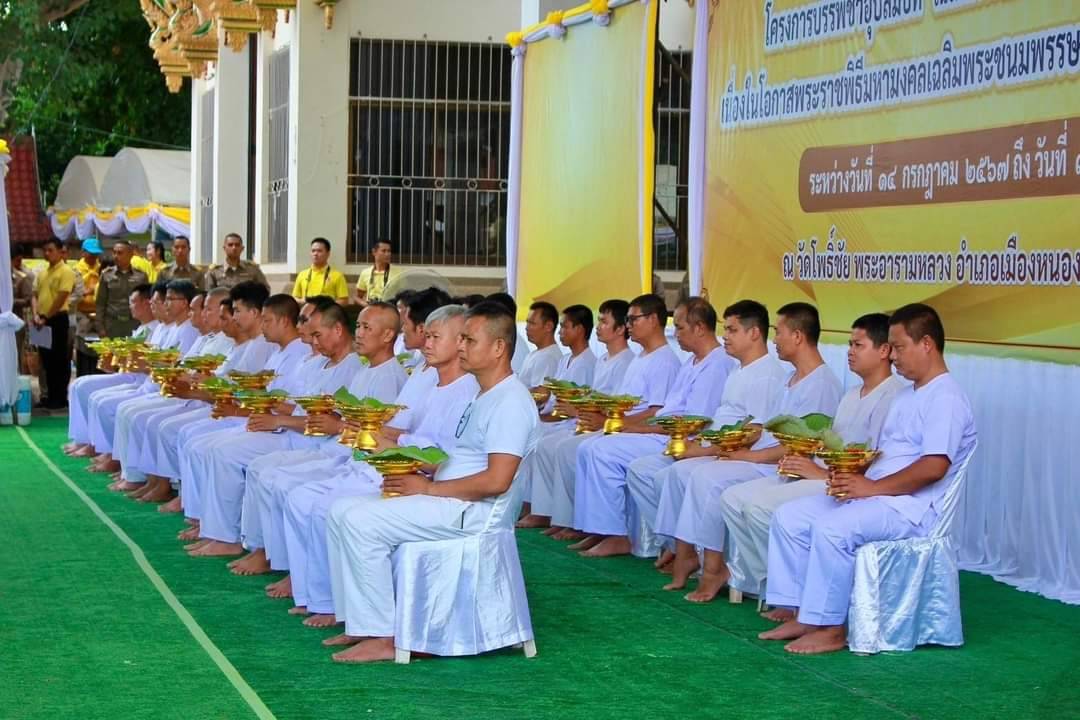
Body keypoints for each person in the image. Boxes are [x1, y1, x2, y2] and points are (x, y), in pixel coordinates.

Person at [323, 300, 539, 663]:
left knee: (361, 522)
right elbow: (461, 459)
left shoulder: (511, 402)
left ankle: (385, 637)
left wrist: (428, 488)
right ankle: (362, 624)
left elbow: (498, 480)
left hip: (472, 512)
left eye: (469, 341)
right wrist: (419, 470)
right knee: (341, 511)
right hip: (447, 497)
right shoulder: (481, 394)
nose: (461, 347)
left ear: (499, 348)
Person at [760, 303, 977, 655]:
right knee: (790, 517)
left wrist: (871, 488)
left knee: (832, 528)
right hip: (879, 493)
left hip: (910, 508)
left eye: (900, 347)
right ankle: (803, 612)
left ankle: (831, 628)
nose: (893, 355)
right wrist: (851, 476)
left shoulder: (946, 396)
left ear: (927, 344)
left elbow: (934, 466)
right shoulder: (909, 393)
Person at [268, 305, 477, 626]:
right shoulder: (432, 381)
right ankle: (321, 594)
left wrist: (382, 439)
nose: (426, 343)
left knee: (327, 507)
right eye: (428, 335)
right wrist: (368, 430)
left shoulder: (468, 390)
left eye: (435, 337)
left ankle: (337, 605)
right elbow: (401, 427)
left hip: (414, 476)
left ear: (461, 342)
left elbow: (440, 456)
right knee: (302, 498)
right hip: (387, 464)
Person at [653, 302, 843, 602]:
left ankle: (720, 569)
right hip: (769, 460)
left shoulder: (819, 383)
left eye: (778, 333)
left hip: (778, 465)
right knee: (687, 473)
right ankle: (714, 563)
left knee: (706, 478)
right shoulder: (788, 379)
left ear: (797, 336)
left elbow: (798, 444)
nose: (774, 339)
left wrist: (743, 454)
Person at [719, 313, 903, 616]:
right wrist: (801, 458)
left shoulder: (891, 396)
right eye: (849, 344)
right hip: (819, 473)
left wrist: (817, 472)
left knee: (760, 508)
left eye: (858, 344)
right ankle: (776, 584)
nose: (850, 351)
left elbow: (873, 461)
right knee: (732, 498)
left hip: (843, 482)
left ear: (884, 351)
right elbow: (831, 445)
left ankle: (795, 595)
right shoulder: (850, 395)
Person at [223, 301, 408, 576]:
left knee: (289, 487)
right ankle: (270, 556)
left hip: (357, 460)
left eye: (366, 327)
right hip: (340, 451)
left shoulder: (389, 376)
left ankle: (288, 567)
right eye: (358, 325)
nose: (358, 332)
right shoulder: (367, 370)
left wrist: (335, 426)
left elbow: (376, 434)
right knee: (268, 474)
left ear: (388, 335)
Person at [182, 301, 364, 557]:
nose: (312, 342)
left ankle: (238, 541)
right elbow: (297, 406)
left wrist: (276, 419)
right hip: (292, 432)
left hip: (311, 442)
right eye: (311, 335)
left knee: (228, 455)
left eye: (316, 335)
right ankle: (218, 530)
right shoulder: (318, 363)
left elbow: (326, 422)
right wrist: (264, 406)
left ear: (337, 330)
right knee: (211, 446)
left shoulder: (353, 367)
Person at [569, 297, 735, 557]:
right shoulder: (693, 361)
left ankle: (622, 536)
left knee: (601, 450)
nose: (676, 334)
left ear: (700, 328)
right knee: (590, 447)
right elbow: (668, 412)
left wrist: (632, 428)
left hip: (679, 440)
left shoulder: (716, 364)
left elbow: (691, 423)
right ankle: (660, 541)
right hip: (663, 433)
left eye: (680, 327)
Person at [529, 295, 678, 543]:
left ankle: (612, 533)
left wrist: (614, 423)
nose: (630, 325)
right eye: (627, 319)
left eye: (633, 319)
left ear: (653, 320)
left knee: (592, 450)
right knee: (574, 448)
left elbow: (656, 411)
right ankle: (587, 525)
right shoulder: (642, 358)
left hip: (645, 432)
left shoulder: (665, 360)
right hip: (621, 427)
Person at [526, 299, 636, 535]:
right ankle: (552, 513)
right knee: (545, 444)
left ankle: (577, 521)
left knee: (561, 447)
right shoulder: (603, 360)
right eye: (598, 321)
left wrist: (580, 412)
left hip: (595, 424)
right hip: (582, 420)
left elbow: (619, 405)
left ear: (620, 329)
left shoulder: (625, 361)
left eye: (604, 322)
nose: (599, 326)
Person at [516, 303, 599, 528]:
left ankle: (540, 508)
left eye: (565, 327)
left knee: (538, 441)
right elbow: (551, 399)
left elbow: (574, 405)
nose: (560, 332)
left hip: (571, 422)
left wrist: (542, 418)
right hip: (553, 419)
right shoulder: (564, 360)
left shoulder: (588, 362)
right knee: (532, 437)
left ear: (580, 330)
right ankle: (528, 502)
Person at [64, 283, 156, 458]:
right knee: (79, 385)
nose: (130, 306)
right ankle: (86, 440)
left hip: (140, 382)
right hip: (131, 377)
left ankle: (107, 450)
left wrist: (122, 363)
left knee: (98, 397)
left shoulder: (157, 328)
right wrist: (113, 362)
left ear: (146, 303)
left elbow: (150, 363)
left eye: (133, 302)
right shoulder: (144, 328)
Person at [31, 238, 77, 410]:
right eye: (45, 250)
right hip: (40, 319)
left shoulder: (66, 271)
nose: (47, 253)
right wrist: (37, 315)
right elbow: (34, 295)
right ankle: (49, 395)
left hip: (57, 319)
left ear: (60, 251)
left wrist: (46, 317)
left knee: (59, 359)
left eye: (50, 250)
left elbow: (62, 297)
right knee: (45, 360)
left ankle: (59, 397)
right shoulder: (42, 272)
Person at [518, 301, 564, 391]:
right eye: (527, 322)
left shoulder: (547, 358)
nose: (527, 327)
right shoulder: (537, 354)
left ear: (549, 326)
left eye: (532, 323)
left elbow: (540, 395)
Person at [205, 233, 270, 291]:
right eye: (230, 245)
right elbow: (209, 294)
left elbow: (265, 289)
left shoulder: (252, 269)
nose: (234, 248)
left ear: (242, 248)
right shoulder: (214, 271)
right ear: (224, 248)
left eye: (237, 245)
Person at [293, 237, 349, 303]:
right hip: (306, 311)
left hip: (326, 312)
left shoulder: (337, 275)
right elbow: (295, 298)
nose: (315, 254)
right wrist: (304, 302)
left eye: (319, 251)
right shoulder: (302, 274)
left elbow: (344, 301)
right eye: (313, 251)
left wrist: (327, 305)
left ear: (328, 254)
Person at [11, 244, 35, 374]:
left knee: (17, 353)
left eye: (19, 260)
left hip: (16, 320)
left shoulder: (24, 275)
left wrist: (10, 301)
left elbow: (28, 299)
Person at [354, 238, 400, 305]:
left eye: (389, 251)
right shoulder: (365, 272)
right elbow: (357, 297)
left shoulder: (398, 273)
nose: (387, 254)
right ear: (374, 252)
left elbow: (404, 297)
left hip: (389, 309)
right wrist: (366, 305)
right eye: (383, 251)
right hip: (371, 310)